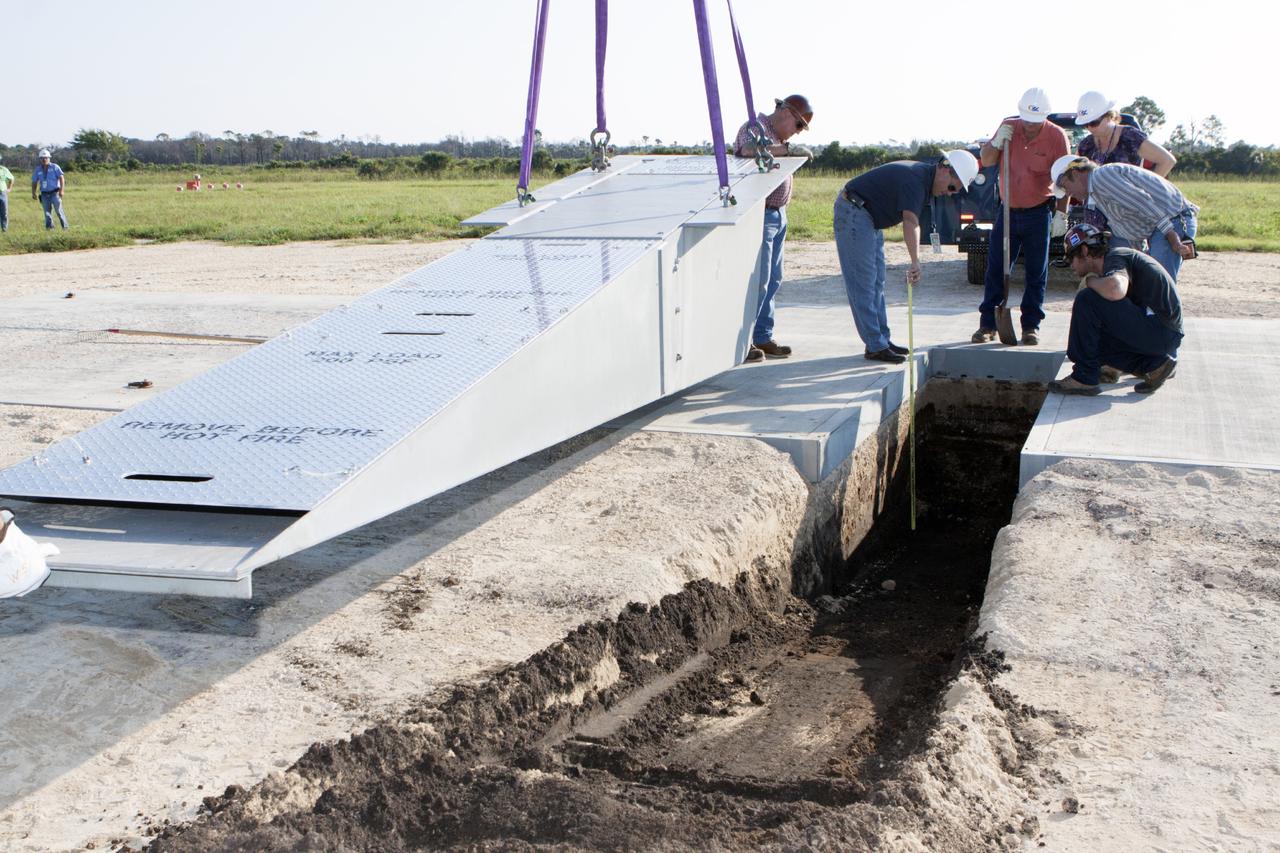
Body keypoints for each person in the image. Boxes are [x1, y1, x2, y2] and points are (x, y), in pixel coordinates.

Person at [835, 149, 980, 363]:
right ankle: (876, 345)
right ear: (945, 169)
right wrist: (915, 262)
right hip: (854, 212)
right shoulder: (916, 180)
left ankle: (882, 340)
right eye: (952, 187)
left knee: (876, 282)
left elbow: (915, 222)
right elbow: (910, 222)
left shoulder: (923, 178)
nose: (950, 193)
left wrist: (916, 259)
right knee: (863, 282)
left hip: (867, 216)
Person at [971, 88, 1070, 347]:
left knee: (1036, 272)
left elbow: (1064, 177)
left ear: (1045, 118)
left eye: (1035, 122)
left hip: (1039, 211)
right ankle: (988, 324)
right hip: (1007, 211)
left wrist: (1062, 213)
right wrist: (995, 143)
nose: (1029, 126)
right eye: (1026, 119)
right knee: (997, 268)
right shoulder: (1008, 127)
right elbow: (988, 161)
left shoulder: (1056, 137)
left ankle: (1031, 326)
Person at [1049, 223, 1182, 396]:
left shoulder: (1115, 257)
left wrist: (1090, 282)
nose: (1072, 266)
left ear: (1084, 251)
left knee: (1086, 299)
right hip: (1162, 333)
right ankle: (1155, 366)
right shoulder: (1115, 260)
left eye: (1071, 259)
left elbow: (1116, 290)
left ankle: (1083, 378)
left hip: (1161, 330)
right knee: (1095, 342)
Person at [734, 94, 813, 362]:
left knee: (773, 279)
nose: (797, 132)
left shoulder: (779, 139)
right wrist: (788, 152)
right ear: (785, 112)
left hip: (777, 215)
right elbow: (746, 151)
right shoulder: (755, 129)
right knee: (760, 280)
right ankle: (744, 344)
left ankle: (762, 337)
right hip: (760, 215)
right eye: (799, 125)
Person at [1051, 156, 1197, 281]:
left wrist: (1172, 236)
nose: (1068, 194)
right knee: (1148, 283)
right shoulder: (1095, 196)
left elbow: (1143, 202)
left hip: (1173, 219)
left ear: (1075, 174)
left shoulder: (1101, 178)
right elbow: (1126, 229)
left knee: (1158, 285)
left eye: (1065, 186)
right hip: (1162, 224)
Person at [1075, 91, 1176, 175]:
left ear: (1108, 116)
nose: (1089, 128)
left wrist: (1147, 189)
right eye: (1085, 124)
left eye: (1093, 123)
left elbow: (1167, 160)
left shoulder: (1130, 137)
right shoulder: (1086, 145)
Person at [31, 149, 69, 230]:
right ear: (40, 159)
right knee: (47, 213)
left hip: (55, 193)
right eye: (42, 158)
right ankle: (50, 228)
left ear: (49, 158)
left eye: (46, 158)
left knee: (59, 211)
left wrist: (62, 190)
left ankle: (65, 227)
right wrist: (33, 192)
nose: (44, 159)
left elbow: (61, 178)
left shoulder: (55, 167)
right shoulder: (38, 169)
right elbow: (34, 181)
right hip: (44, 194)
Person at [0, 155, 13, 232]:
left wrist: (9, 189)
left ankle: (4, 229)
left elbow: (11, 179)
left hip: (2, 193)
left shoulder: (4, 169)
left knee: (4, 212)